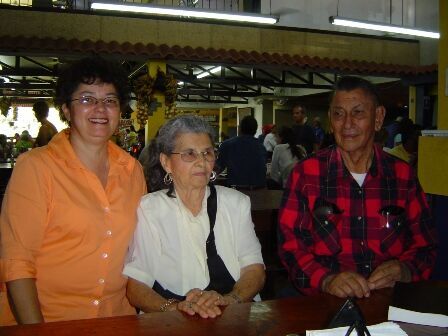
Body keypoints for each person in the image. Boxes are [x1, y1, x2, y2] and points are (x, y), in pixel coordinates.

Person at [0, 56, 147, 325]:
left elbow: (140, 250)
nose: (100, 109)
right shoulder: (36, 167)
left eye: (110, 100)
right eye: (87, 99)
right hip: (49, 318)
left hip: (116, 319)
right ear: (66, 109)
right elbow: (17, 262)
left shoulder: (132, 171)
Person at [278, 76, 436, 299]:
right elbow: (291, 248)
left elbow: (426, 245)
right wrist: (326, 279)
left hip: (387, 299)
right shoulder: (306, 174)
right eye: (338, 114)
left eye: (358, 112)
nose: (347, 124)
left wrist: (405, 270)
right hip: (323, 300)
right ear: (331, 121)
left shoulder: (403, 176)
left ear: (378, 118)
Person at [123, 115, 265, 318]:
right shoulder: (150, 209)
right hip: (172, 323)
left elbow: (255, 270)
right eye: (189, 154)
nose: (202, 162)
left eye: (207, 152)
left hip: (233, 316)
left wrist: (228, 301)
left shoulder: (236, 203)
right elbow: (136, 285)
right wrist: (176, 310)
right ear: (166, 162)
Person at [216, 115, 267, 189]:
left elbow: (218, 168)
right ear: (255, 130)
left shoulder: (227, 145)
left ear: (240, 129)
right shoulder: (261, 147)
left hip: (236, 191)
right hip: (260, 190)